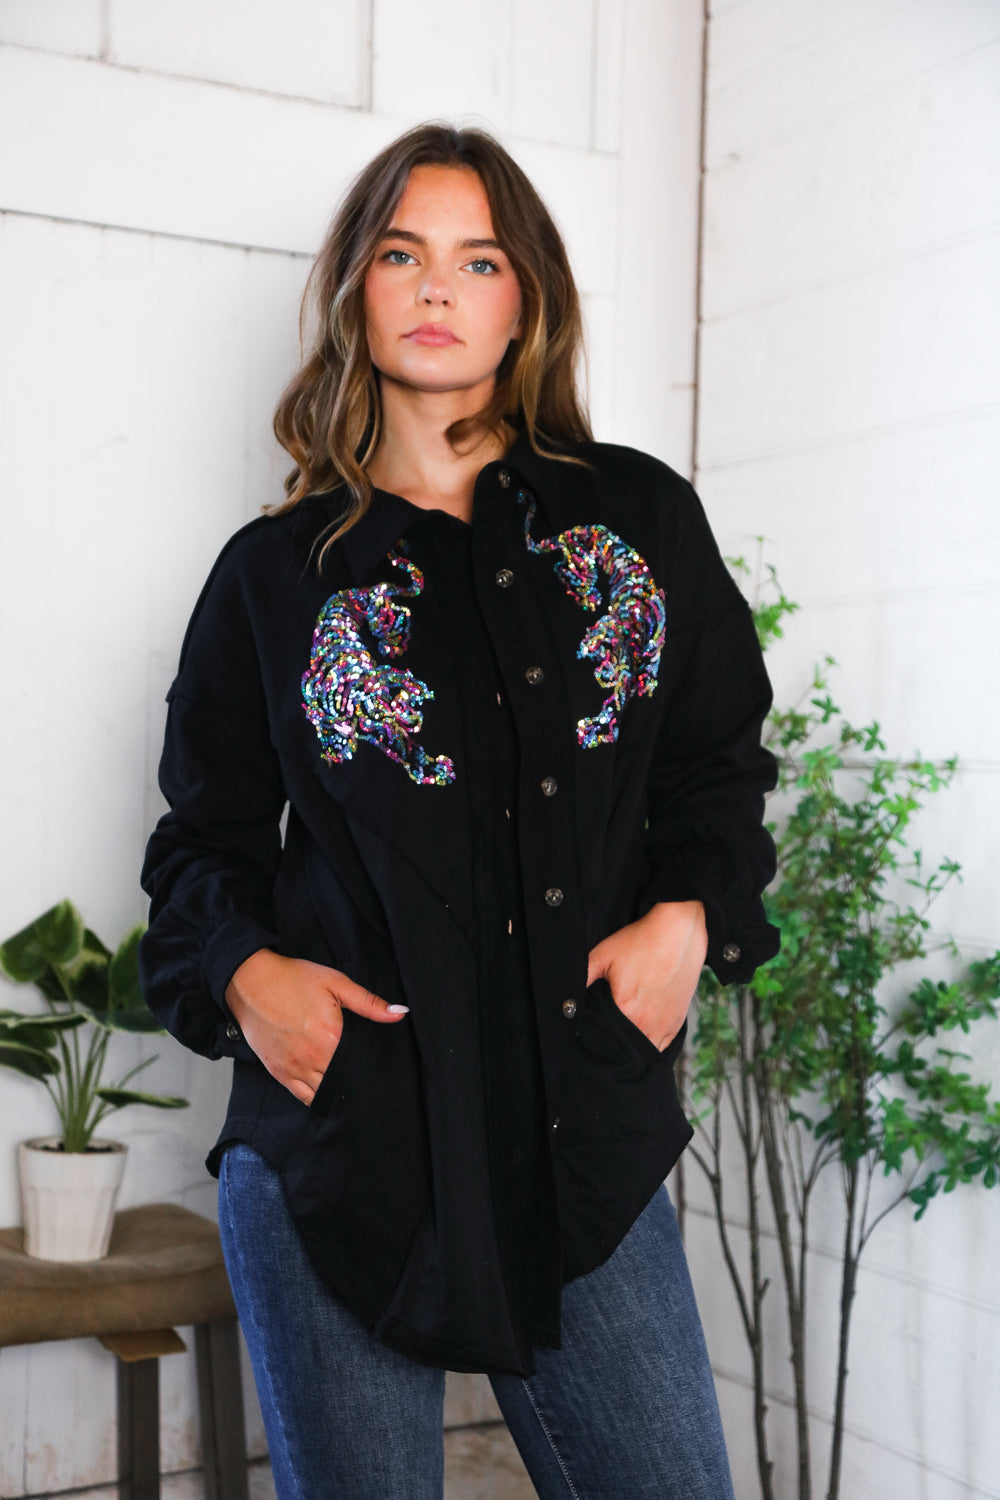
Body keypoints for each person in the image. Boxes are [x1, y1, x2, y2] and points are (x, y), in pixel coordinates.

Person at [138, 120, 780, 1500]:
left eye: (478, 260)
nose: (438, 287)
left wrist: (688, 921)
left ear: (525, 300)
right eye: (402, 255)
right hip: (343, 1141)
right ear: (356, 292)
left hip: (580, 1133)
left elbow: (719, 766)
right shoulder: (272, 578)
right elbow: (200, 849)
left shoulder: (638, 523)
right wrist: (251, 979)